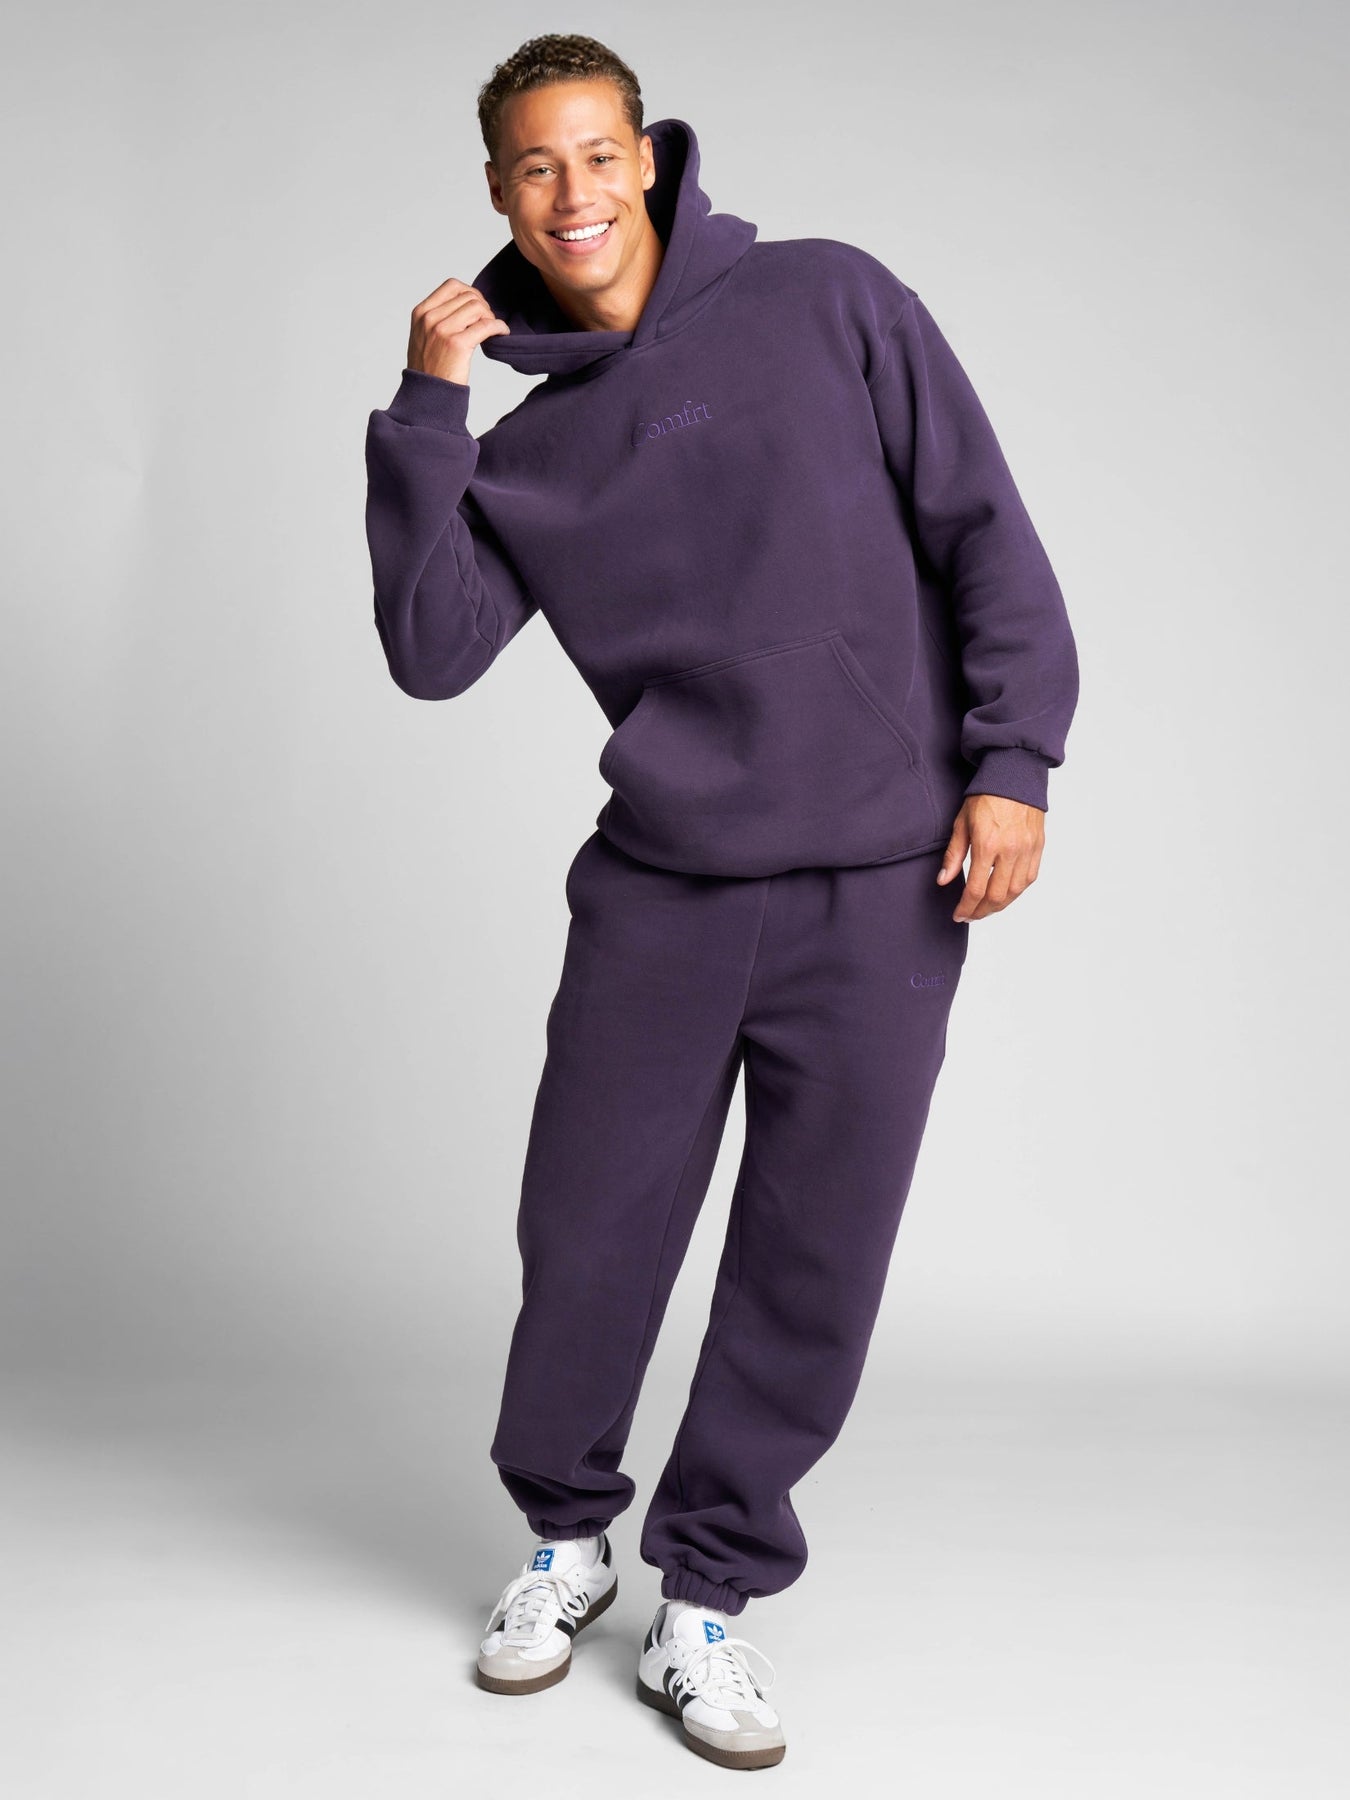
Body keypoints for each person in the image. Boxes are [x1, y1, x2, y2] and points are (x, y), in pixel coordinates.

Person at [363, 32, 1080, 1772]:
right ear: (498, 196)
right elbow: (432, 650)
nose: (574, 192)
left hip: (881, 876)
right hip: (665, 890)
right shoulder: (527, 449)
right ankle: (564, 1540)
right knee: (587, 1233)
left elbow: (980, 526)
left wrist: (1013, 758)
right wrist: (427, 410)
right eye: (536, 166)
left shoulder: (827, 299)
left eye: (597, 153)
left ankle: (708, 1594)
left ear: (650, 156)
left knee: (812, 1255)